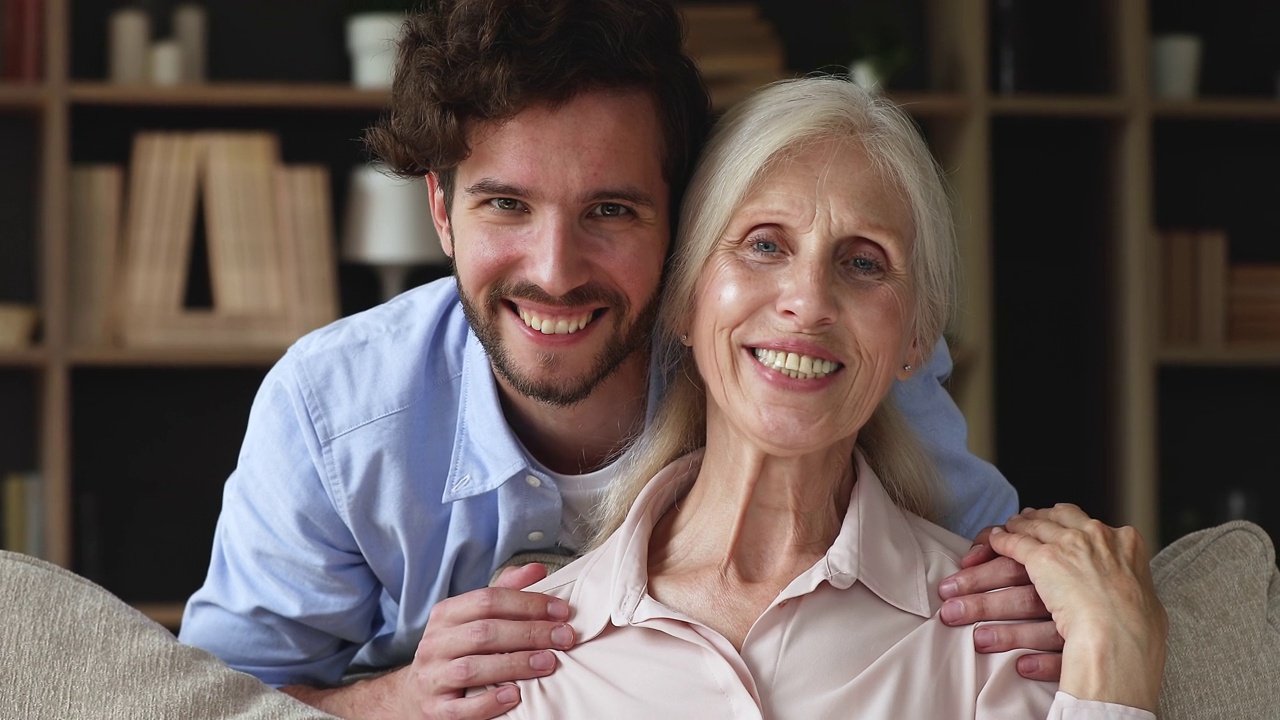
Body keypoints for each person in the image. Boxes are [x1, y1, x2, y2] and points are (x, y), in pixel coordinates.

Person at [178, 1, 1050, 718]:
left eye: (611, 211)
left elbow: (993, 571)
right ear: (440, 211)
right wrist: (402, 700)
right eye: (507, 204)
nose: (555, 272)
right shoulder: (332, 410)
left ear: (679, 223)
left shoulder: (785, 359)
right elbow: (212, 705)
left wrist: (1055, 587)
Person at [480, 75, 1167, 719]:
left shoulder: (1003, 635)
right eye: (764, 246)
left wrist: (1116, 660)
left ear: (915, 340)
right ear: (684, 300)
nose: (808, 304)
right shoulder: (533, 658)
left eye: (863, 262)